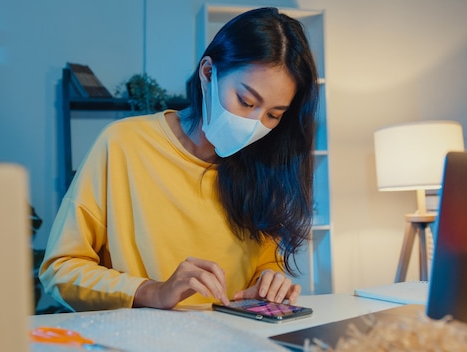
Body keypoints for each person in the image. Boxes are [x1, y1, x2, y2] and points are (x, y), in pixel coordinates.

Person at [40, 7, 319, 312]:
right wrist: (153, 292)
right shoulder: (123, 144)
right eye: (245, 101)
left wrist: (271, 280)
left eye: (273, 114)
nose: (254, 125)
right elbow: (61, 269)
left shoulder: (266, 166)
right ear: (208, 73)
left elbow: (265, 264)